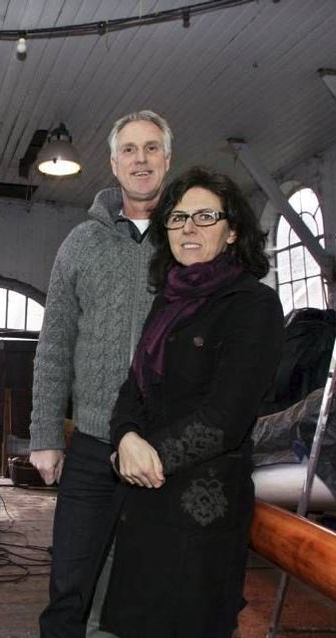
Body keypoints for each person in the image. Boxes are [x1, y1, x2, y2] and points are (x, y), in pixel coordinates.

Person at [101, 167, 284, 636]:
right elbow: (133, 388)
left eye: (205, 216)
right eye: (178, 217)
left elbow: (227, 417)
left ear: (233, 230)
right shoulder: (166, 303)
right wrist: (124, 436)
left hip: (202, 506)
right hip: (143, 499)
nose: (189, 227)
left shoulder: (253, 305)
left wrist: (147, 454)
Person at [30, 110, 173, 637]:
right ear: (114, 164)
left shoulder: (187, 244)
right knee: (70, 581)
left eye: (151, 148)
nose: (141, 159)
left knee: (150, 587)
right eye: (130, 150)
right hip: (93, 442)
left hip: (165, 446)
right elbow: (54, 345)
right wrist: (46, 436)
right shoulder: (80, 244)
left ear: (167, 160)